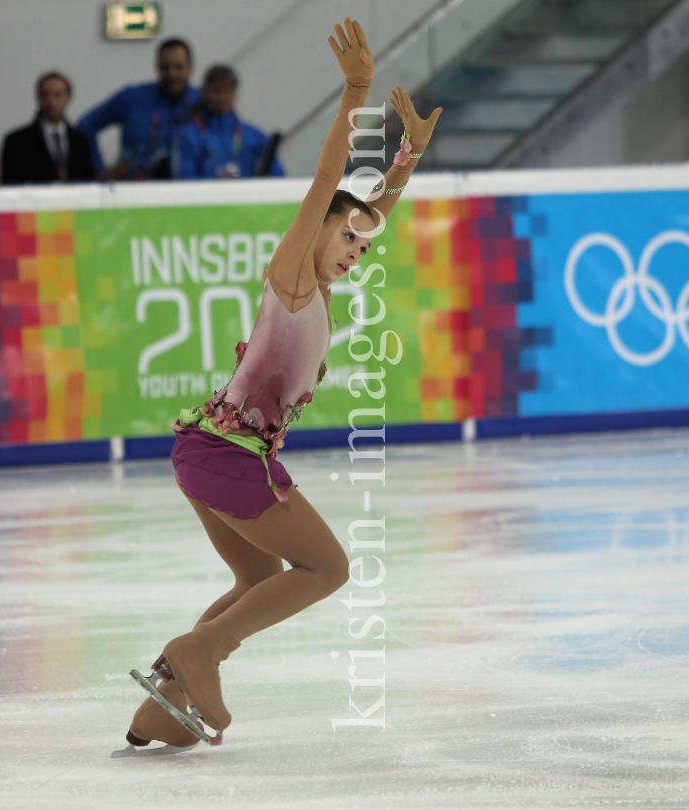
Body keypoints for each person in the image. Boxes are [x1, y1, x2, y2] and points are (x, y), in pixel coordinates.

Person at [117, 18, 441, 753]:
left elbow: (365, 206)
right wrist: (355, 93)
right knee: (326, 567)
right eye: (347, 238)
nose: (356, 251)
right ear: (315, 230)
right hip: (228, 457)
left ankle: (163, 706)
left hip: (209, 453)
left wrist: (409, 155)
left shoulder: (322, 280)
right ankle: (199, 654)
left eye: (363, 244)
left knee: (257, 577)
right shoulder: (293, 274)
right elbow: (328, 184)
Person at [77, 38, 198, 180]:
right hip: (135, 193)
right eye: (165, 67)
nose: (171, 75)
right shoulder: (133, 98)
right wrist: (98, 170)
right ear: (157, 67)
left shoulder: (204, 102)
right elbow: (85, 126)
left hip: (189, 191)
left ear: (190, 67)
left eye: (178, 67)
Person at [172, 65, 284, 180]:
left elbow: (278, 179)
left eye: (228, 91)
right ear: (203, 91)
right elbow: (183, 181)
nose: (222, 97)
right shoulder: (186, 137)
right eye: (216, 90)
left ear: (235, 93)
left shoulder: (256, 137)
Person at [0, 72, 95, 185]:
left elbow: (88, 182)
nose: (51, 101)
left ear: (68, 97)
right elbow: (9, 187)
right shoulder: (17, 141)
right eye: (45, 95)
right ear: (38, 97)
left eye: (57, 95)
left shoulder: (81, 141)